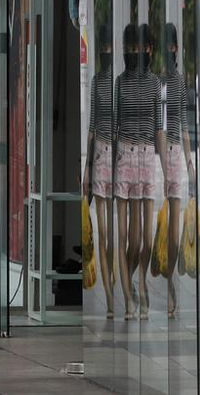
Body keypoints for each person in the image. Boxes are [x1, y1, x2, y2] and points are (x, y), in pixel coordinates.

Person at [114, 23, 169, 320]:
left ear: (150, 49)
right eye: (130, 48)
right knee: (126, 238)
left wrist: (166, 172)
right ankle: (128, 299)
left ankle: (137, 283)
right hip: (124, 155)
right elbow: (113, 127)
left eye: (140, 48)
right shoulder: (120, 83)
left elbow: (160, 129)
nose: (135, 53)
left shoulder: (157, 85)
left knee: (145, 240)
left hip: (147, 157)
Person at [160, 23, 196, 318]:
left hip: (173, 154)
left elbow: (183, 124)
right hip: (151, 157)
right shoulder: (150, 80)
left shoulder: (179, 81)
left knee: (173, 230)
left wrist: (189, 159)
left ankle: (171, 287)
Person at [83, 25, 116, 318]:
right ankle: (110, 296)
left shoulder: (123, 84)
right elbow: (92, 128)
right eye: (103, 49)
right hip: (104, 156)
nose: (106, 54)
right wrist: (87, 170)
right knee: (104, 233)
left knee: (128, 236)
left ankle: (122, 287)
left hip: (127, 158)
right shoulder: (97, 83)